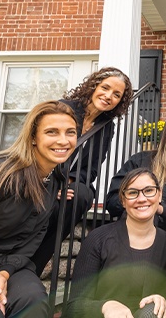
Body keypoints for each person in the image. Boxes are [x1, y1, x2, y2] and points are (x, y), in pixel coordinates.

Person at [0, 100, 77, 317]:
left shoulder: (52, 181)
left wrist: (5, 273)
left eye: (70, 132)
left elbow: (33, 238)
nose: (63, 140)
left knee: (34, 301)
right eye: (52, 132)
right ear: (33, 137)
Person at [31, 66, 133, 275]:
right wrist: (55, 182)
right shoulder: (63, 109)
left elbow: (92, 168)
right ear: (93, 86)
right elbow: (39, 148)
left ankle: (35, 265)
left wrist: (69, 182)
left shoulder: (106, 126)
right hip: (41, 175)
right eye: (105, 88)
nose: (108, 96)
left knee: (82, 194)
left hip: (69, 182)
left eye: (116, 95)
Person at [65, 168, 166, 318]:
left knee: (152, 311)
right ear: (122, 200)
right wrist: (105, 306)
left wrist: (164, 301)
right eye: (133, 192)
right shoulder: (99, 239)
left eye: (149, 190)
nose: (141, 199)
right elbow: (73, 308)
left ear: (159, 195)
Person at [106, 113, 166, 234]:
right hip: (133, 233)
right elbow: (113, 201)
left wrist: (161, 209)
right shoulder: (139, 161)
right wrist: (143, 205)